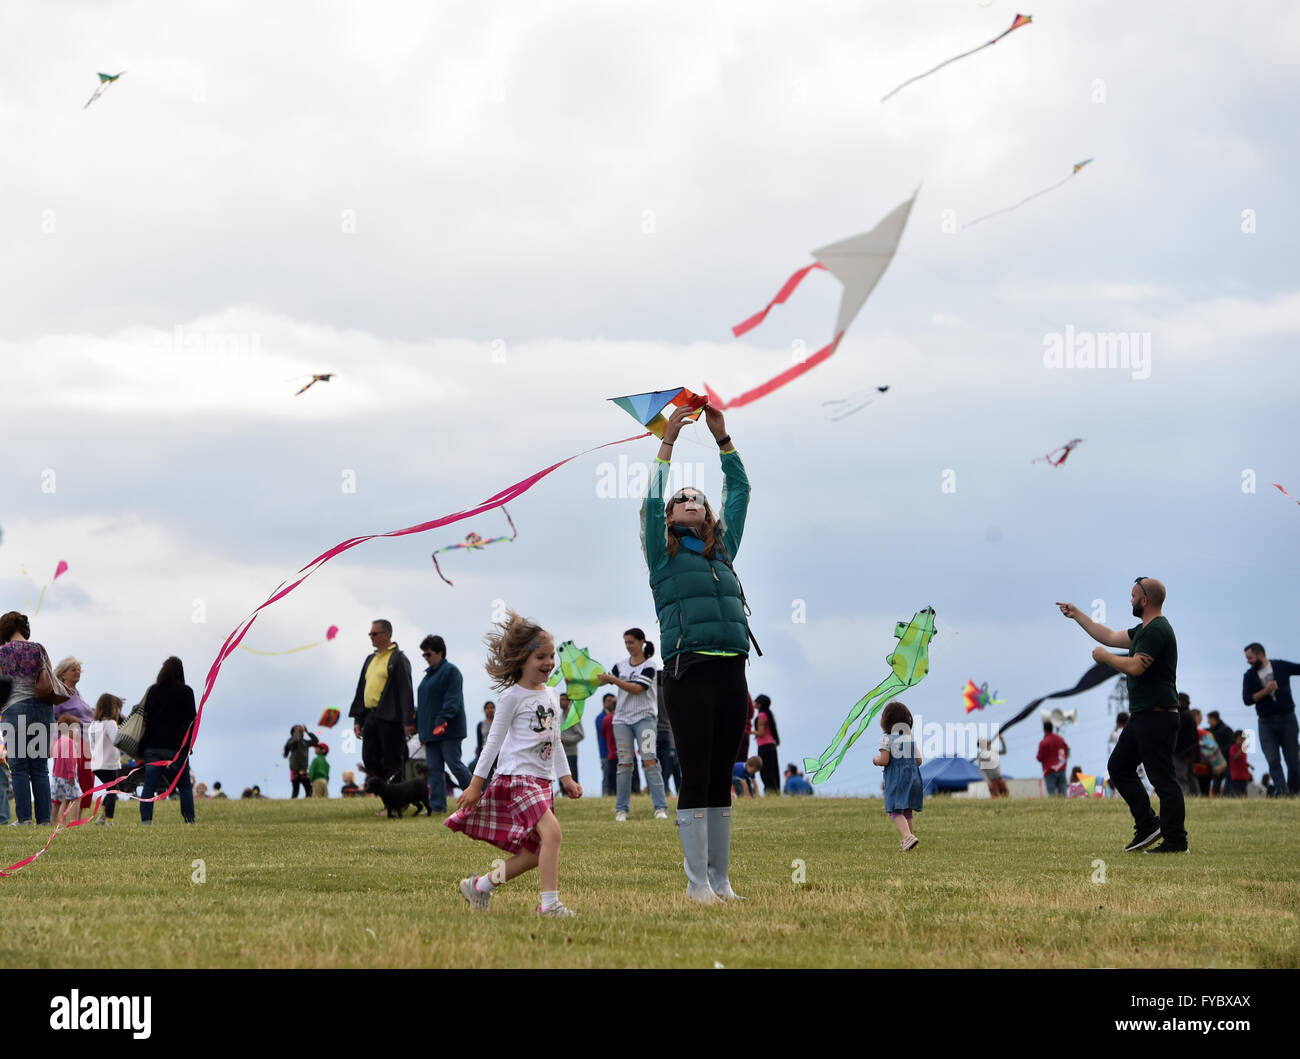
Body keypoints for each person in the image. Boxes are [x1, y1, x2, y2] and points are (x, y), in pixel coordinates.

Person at [642, 403, 752, 903]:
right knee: (697, 770)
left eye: (698, 498)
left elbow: (741, 491)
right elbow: (649, 502)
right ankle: (696, 884)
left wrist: (722, 438)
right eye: (681, 498)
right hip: (688, 669)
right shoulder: (661, 553)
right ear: (669, 517)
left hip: (732, 667)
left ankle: (720, 880)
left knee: (722, 773)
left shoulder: (722, 548)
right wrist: (667, 442)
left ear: (708, 516)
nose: (690, 499)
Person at [445, 611, 580, 917]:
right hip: (518, 779)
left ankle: (479, 886)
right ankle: (549, 905)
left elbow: (555, 740)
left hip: (542, 782)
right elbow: (492, 743)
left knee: (534, 854)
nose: (548, 662)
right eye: (540, 657)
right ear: (522, 660)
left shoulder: (552, 694)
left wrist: (566, 778)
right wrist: (476, 784)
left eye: (551, 656)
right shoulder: (512, 697)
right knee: (553, 834)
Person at [1058, 577, 1187, 853]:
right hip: (1142, 715)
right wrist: (1077, 614)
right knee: (1118, 767)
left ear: (1145, 600)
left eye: (1133, 596)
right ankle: (1148, 825)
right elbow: (1107, 635)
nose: (1130, 600)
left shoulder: (1157, 630)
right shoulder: (1142, 631)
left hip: (1158, 716)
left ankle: (1177, 841)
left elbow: (1137, 666)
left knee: (1162, 779)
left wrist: (1106, 658)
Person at [598, 628, 668, 821]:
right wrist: (579, 681)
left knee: (649, 761)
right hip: (621, 720)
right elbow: (601, 681)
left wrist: (614, 680)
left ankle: (660, 807)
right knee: (624, 764)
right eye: (626, 642)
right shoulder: (620, 666)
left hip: (645, 719)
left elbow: (638, 688)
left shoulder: (649, 665)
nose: (628, 646)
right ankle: (622, 810)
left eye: (631, 642)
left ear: (642, 642)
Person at [0, 612, 55, 827]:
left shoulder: (2, 652)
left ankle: (24, 819)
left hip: (15, 709)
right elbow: (49, 678)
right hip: (43, 710)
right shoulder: (39, 649)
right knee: (40, 767)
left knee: (19, 767)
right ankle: (44, 820)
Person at [348, 620, 415, 785]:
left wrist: (407, 721)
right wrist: (358, 720)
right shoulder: (370, 659)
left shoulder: (398, 659)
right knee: (369, 758)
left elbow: (406, 690)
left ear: (386, 634)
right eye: (370, 634)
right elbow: (361, 689)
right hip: (371, 716)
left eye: (374, 633)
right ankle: (386, 789)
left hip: (391, 717)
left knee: (393, 758)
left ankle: (396, 794)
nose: (371, 637)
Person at [137, 656, 198, 825]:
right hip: (177, 747)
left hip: (153, 746)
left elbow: (146, 718)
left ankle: (146, 821)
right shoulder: (186, 692)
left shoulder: (153, 691)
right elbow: (192, 720)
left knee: (149, 786)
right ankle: (189, 820)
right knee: (184, 785)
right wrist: (188, 744)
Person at [416, 634, 472, 814]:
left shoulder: (451, 672)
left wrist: (441, 721)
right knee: (433, 770)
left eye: (429, 654)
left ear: (440, 653)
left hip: (449, 730)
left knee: (454, 764)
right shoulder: (427, 676)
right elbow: (425, 707)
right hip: (430, 733)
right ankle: (437, 806)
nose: (426, 658)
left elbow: (452, 701)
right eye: (424, 654)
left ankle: (478, 798)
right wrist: (418, 726)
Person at [1242, 643, 1300, 796]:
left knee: (1293, 760)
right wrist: (1266, 691)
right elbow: (1247, 699)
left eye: (1250, 658)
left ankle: (1295, 792)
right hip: (1266, 723)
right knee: (1273, 760)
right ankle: (1284, 793)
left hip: (1288, 720)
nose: (1248, 661)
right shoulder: (1249, 676)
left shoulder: (1280, 666)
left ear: (1260, 655)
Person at [873, 701, 923, 852]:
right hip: (913, 779)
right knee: (907, 810)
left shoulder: (886, 739)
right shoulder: (909, 739)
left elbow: (885, 760)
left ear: (886, 721)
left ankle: (907, 837)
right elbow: (919, 761)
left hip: (897, 780)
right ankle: (909, 840)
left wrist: (876, 760)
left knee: (894, 810)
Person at [54, 657, 98, 818]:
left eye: (79, 669)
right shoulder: (59, 694)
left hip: (86, 741)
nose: (77, 672)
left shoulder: (77, 693)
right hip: (73, 742)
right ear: (63, 674)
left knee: (87, 778)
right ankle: (66, 818)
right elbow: (54, 717)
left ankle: (78, 817)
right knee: (73, 778)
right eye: (73, 669)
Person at [88, 693, 126, 824]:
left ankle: (103, 816)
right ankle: (109, 820)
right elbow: (116, 740)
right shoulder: (110, 724)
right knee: (112, 791)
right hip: (109, 764)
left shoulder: (94, 724)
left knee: (111, 789)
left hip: (96, 764)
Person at [51, 714, 85, 822]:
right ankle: (74, 821)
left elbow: (55, 760)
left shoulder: (58, 741)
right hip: (67, 777)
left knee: (61, 800)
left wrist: (54, 775)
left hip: (57, 777)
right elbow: (69, 760)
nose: (77, 732)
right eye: (76, 728)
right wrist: (71, 775)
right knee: (77, 798)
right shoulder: (69, 742)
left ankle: (54, 821)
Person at [655, 673, 681, 796]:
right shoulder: (669, 694)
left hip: (654, 733)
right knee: (671, 768)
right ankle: (670, 790)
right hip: (669, 735)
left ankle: (662, 790)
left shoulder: (653, 694)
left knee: (657, 766)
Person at [753, 694, 781, 796]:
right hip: (771, 745)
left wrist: (748, 731)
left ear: (760, 704)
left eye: (756, 702)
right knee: (773, 770)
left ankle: (769, 791)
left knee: (765, 771)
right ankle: (775, 791)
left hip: (764, 746)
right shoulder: (768, 715)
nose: (754, 703)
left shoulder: (761, 716)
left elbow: (761, 733)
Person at [1173, 694, 1200, 796]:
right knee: (1190, 776)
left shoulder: (1183, 716)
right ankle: (1196, 796)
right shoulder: (1188, 715)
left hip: (1182, 753)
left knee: (1181, 777)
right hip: (1189, 753)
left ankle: (1184, 796)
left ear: (1182, 702)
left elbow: (1178, 735)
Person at [283, 725, 319, 798]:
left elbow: (315, 741)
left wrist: (308, 732)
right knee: (296, 790)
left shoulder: (305, 742)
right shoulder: (291, 740)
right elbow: (293, 742)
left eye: (302, 731)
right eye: (300, 731)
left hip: (303, 770)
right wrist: (296, 733)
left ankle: (307, 802)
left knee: (309, 790)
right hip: (295, 770)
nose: (302, 732)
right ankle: (293, 803)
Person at [558, 693, 583, 791]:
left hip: (571, 752)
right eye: (560, 700)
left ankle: (575, 793)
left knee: (572, 776)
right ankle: (563, 794)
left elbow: (580, 735)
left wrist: (565, 739)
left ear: (569, 702)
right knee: (561, 776)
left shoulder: (573, 717)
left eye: (564, 699)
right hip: (560, 752)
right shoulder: (559, 717)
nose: (561, 702)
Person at [1037, 721, 1069, 797]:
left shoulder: (1044, 742)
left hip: (1049, 770)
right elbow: (1066, 750)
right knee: (1063, 792)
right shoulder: (1060, 739)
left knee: (1052, 794)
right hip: (1061, 768)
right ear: (1052, 728)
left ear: (1044, 729)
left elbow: (1039, 757)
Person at [1206, 711, 1234, 797]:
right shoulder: (1210, 730)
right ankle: (1216, 797)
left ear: (1214, 719)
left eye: (1209, 719)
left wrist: (1219, 751)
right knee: (1216, 781)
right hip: (1215, 761)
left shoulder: (1226, 730)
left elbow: (1231, 745)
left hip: (1226, 760)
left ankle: (1226, 796)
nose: (1208, 722)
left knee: (1227, 780)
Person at [595, 694, 617, 797]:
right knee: (607, 776)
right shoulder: (600, 718)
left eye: (612, 700)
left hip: (615, 752)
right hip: (605, 752)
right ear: (603, 703)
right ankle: (606, 795)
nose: (610, 703)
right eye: (608, 700)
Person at [468, 701, 495, 779]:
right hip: (485, 751)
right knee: (472, 766)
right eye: (487, 708)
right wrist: (479, 754)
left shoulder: (498, 723)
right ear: (484, 710)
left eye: (492, 708)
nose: (490, 710)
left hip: (497, 751)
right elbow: (479, 742)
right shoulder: (481, 725)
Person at [1227, 731, 1253, 797]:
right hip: (1236, 775)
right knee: (1237, 792)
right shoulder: (1233, 748)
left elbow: (1243, 761)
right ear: (1235, 739)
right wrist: (1241, 750)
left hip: (1243, 775)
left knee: (1244, 792)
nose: (1242, 741)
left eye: (1244, 739)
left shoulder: (1244, 750)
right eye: (1240, 739)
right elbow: (1234, 757)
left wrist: (1249, 765)